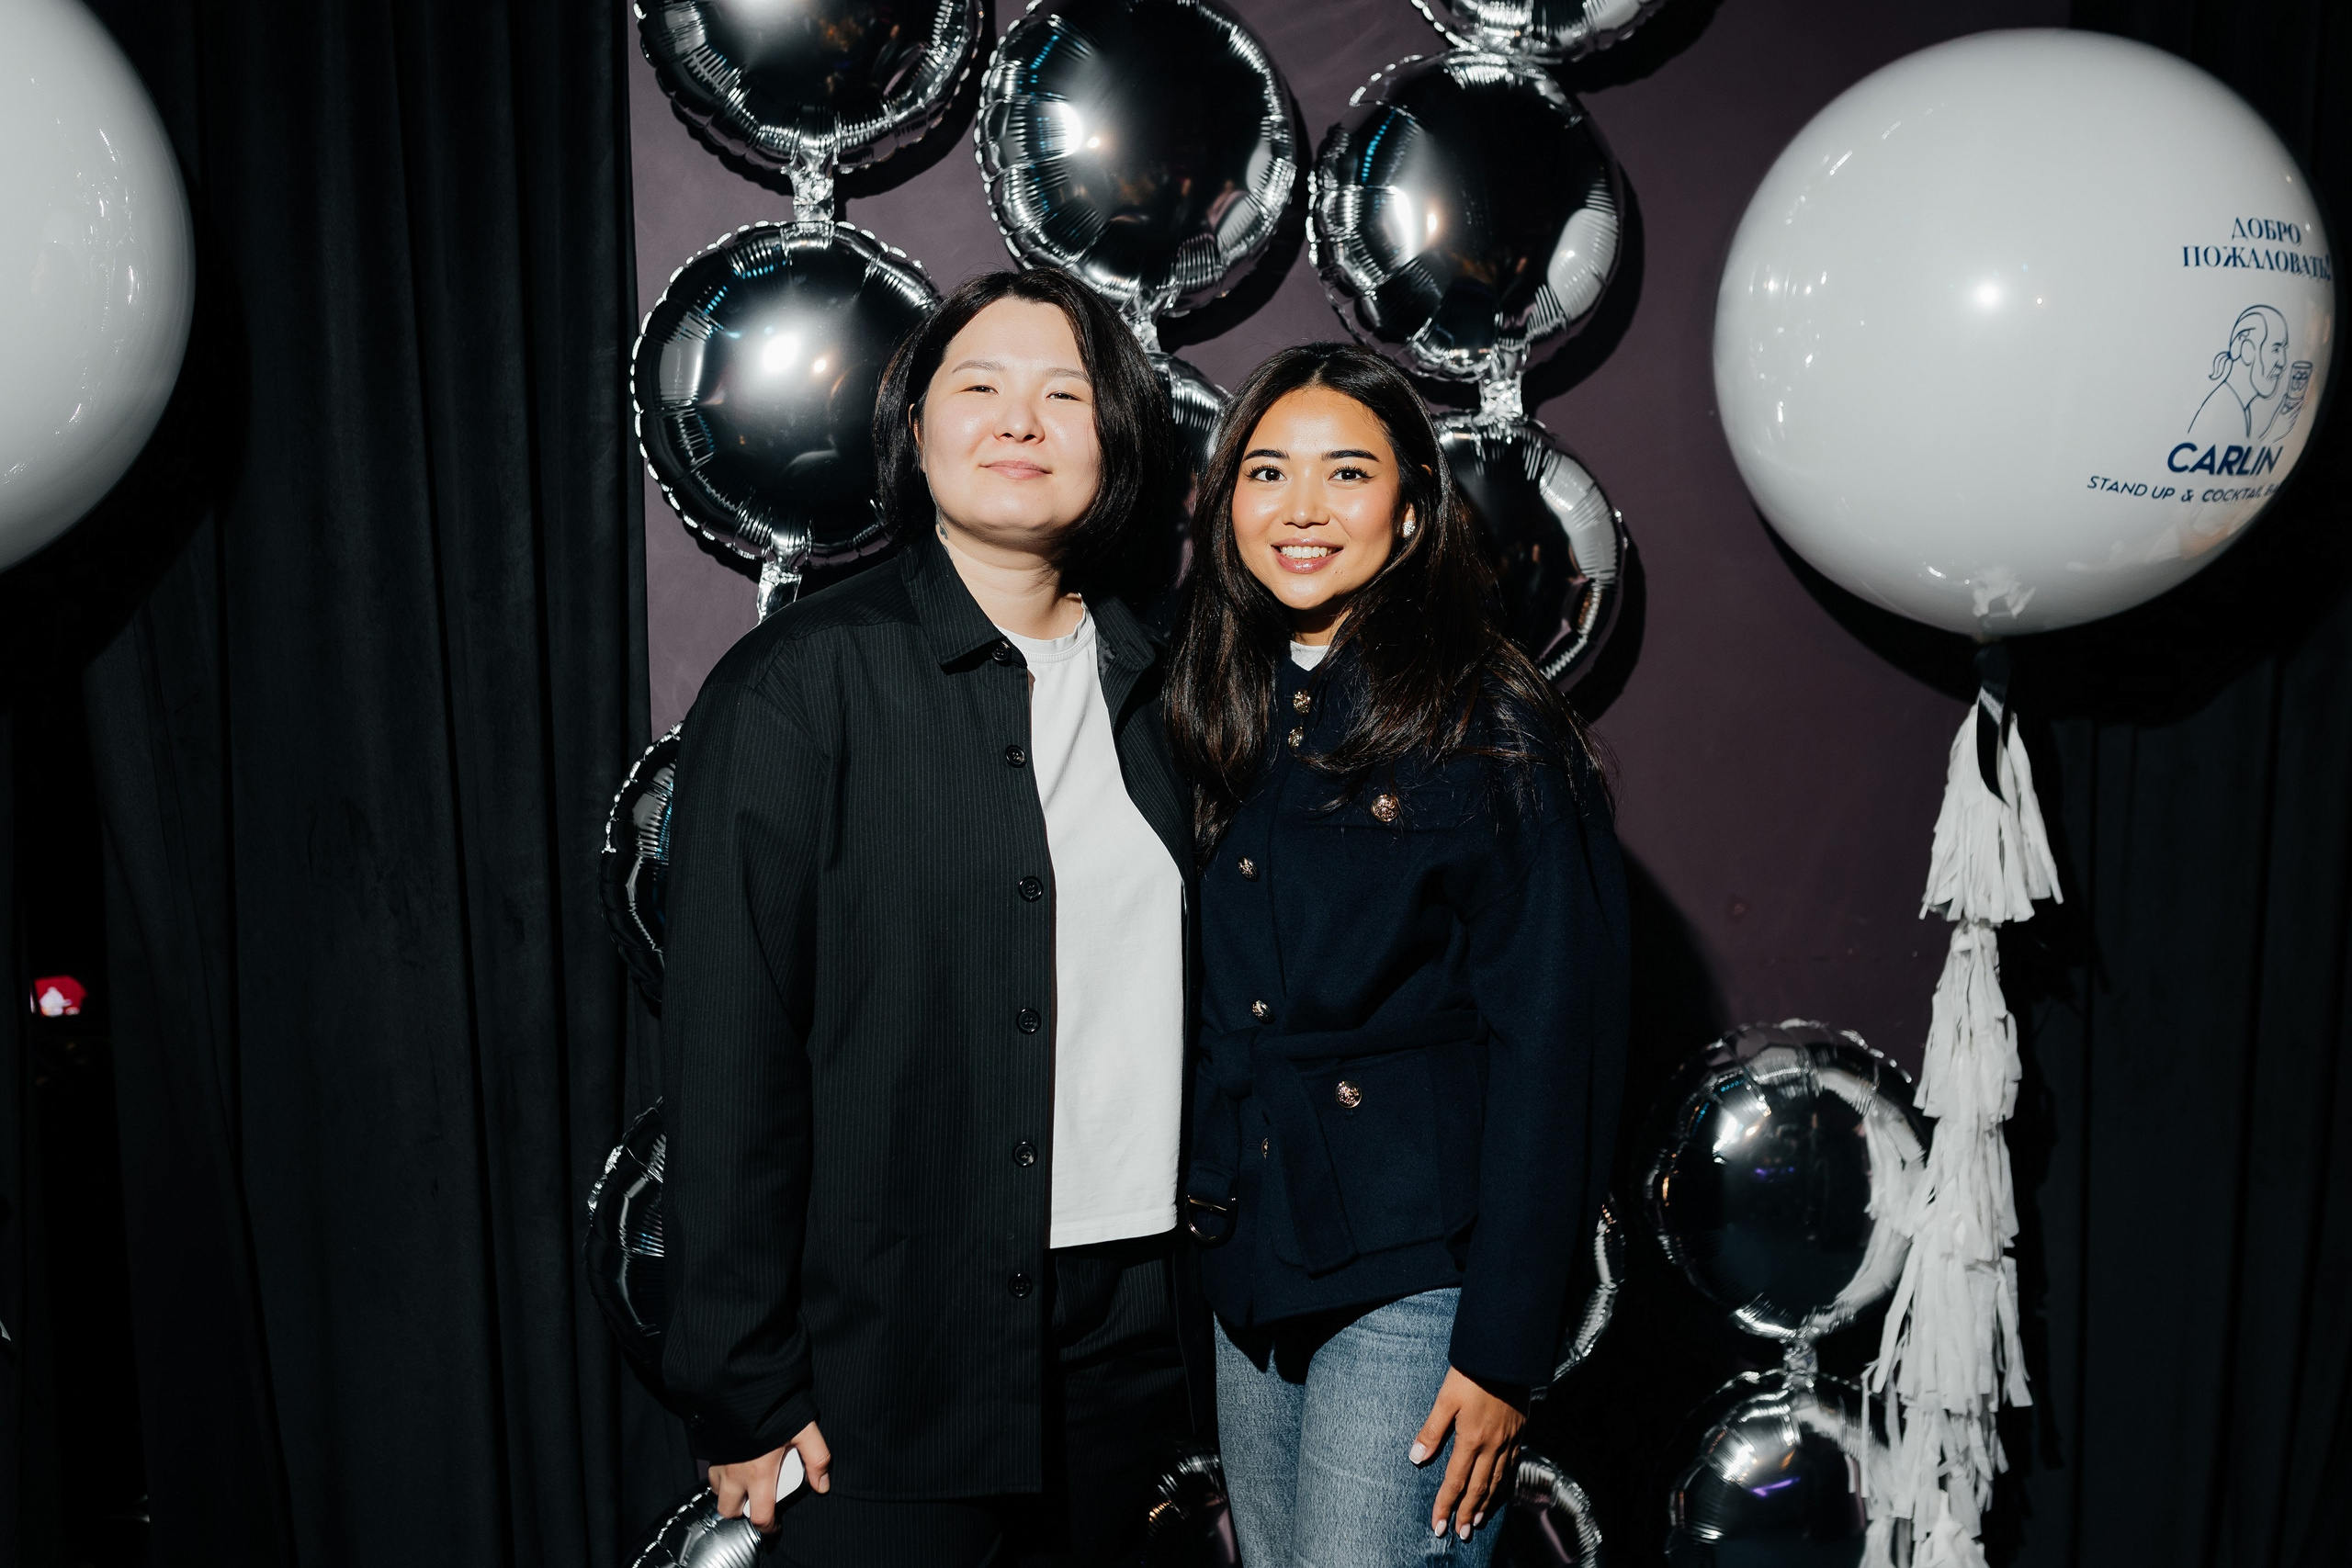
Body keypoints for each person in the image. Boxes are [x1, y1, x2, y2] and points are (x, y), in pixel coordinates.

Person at [656, 266, 1203, 1567]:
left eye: (1065, 394)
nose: (1020, 421)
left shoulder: (1175, 693)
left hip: (1130, 1340)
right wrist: (744, 1385)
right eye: (981, 387)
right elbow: (730, 1049)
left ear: (1116, 444)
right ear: (915, 431)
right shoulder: (800, 685)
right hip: (886, 1351)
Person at [1164, 344, 1631, 1566]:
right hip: (1249, 1265)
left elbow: (1556, 1052)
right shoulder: (1214, 701)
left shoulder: (1500, 732)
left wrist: (1503, 1348)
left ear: (1413, 509)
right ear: (1227, 507)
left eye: (1346, 473)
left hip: (1417, 1279)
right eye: (1267, 471)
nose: (1301, 509)